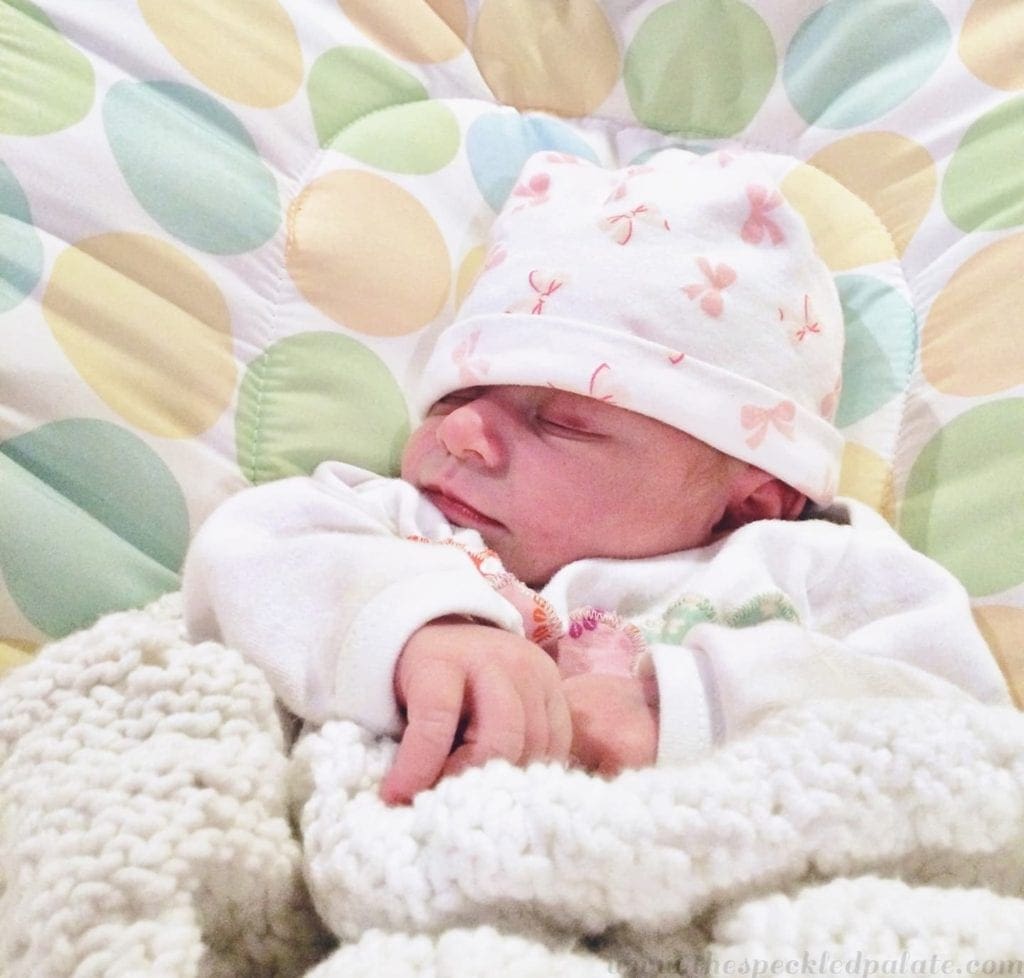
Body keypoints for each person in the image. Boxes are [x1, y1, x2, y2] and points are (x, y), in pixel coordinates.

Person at [183, 149, 1011, 805]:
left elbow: (964, 737)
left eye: (560, 418)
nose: (464, 433)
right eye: (459, 394)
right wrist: (420, 632)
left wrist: (680, 708)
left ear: (752, 495)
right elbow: (247, 552)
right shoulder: (406, 527)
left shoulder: (817, 569)